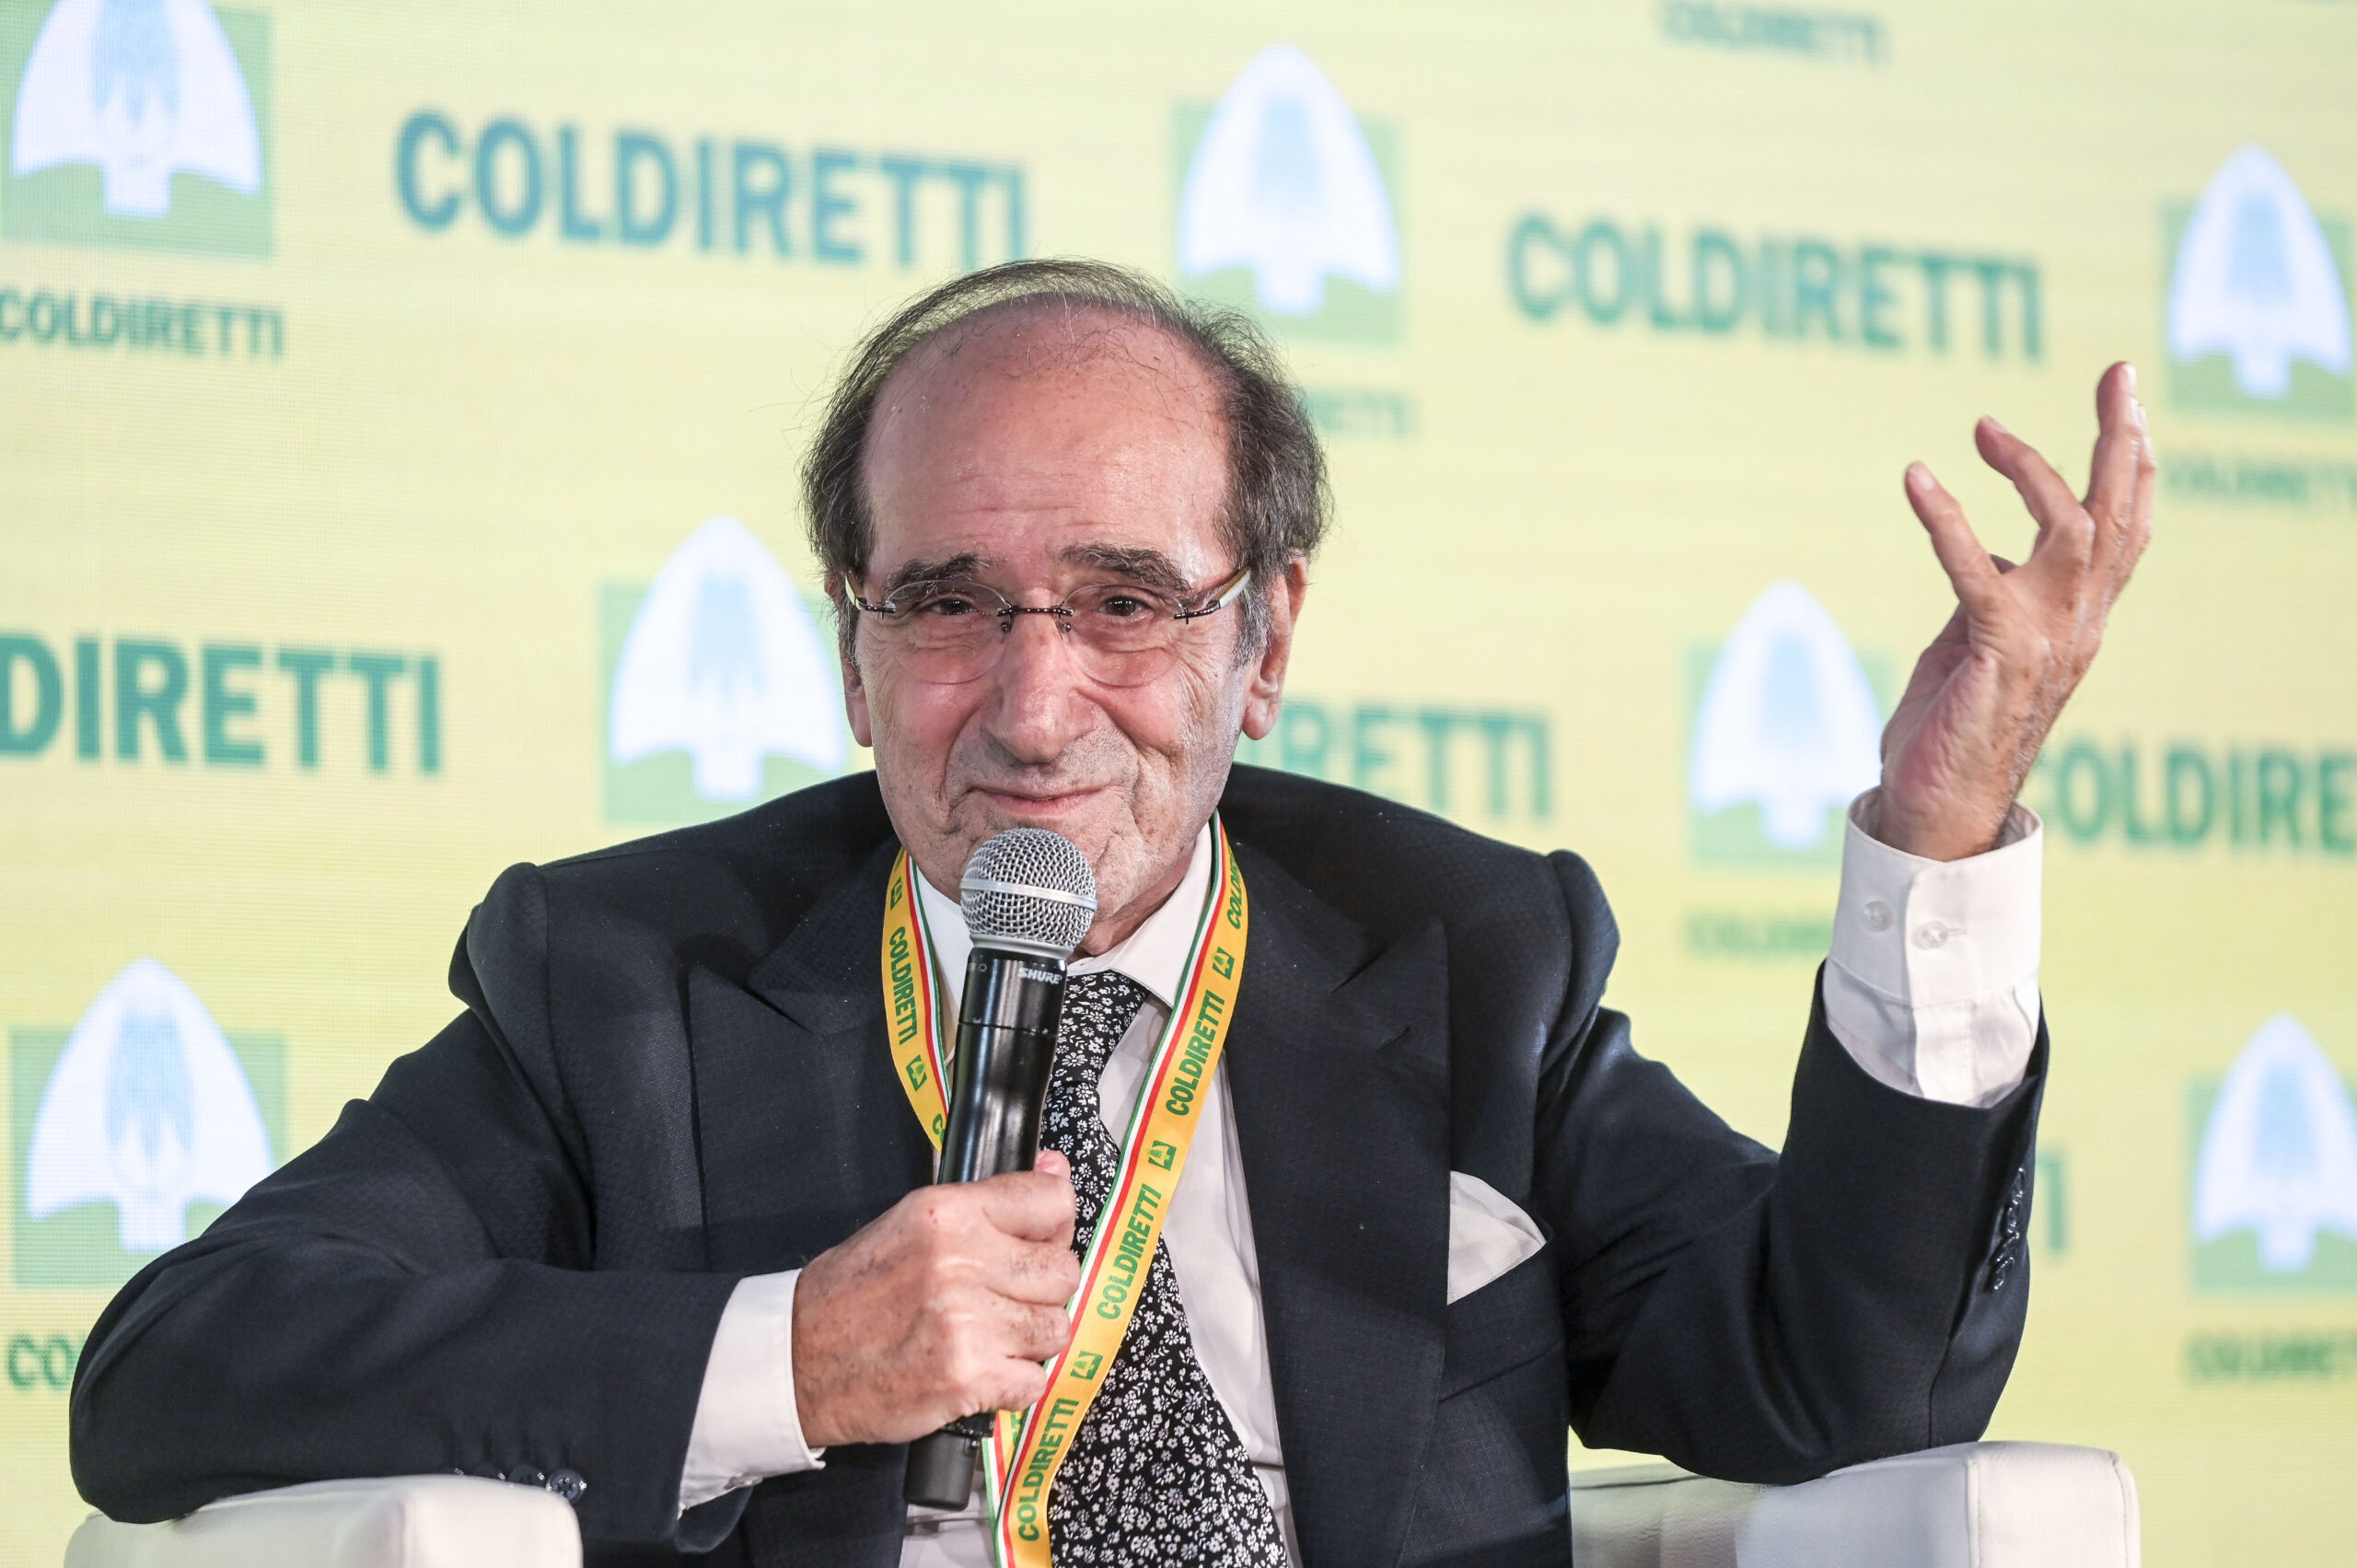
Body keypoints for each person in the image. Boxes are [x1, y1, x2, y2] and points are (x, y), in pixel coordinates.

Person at [70, 259, 2153, 1568]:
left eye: (1126, 602)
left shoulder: (1462, 959)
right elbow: (178, 1371)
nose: (1034, 703)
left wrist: (1937, 826)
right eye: (947, 604)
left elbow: (1847, 1385)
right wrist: (787, 1358)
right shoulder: (625, 984)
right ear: (853, 647)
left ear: (1264, 644)